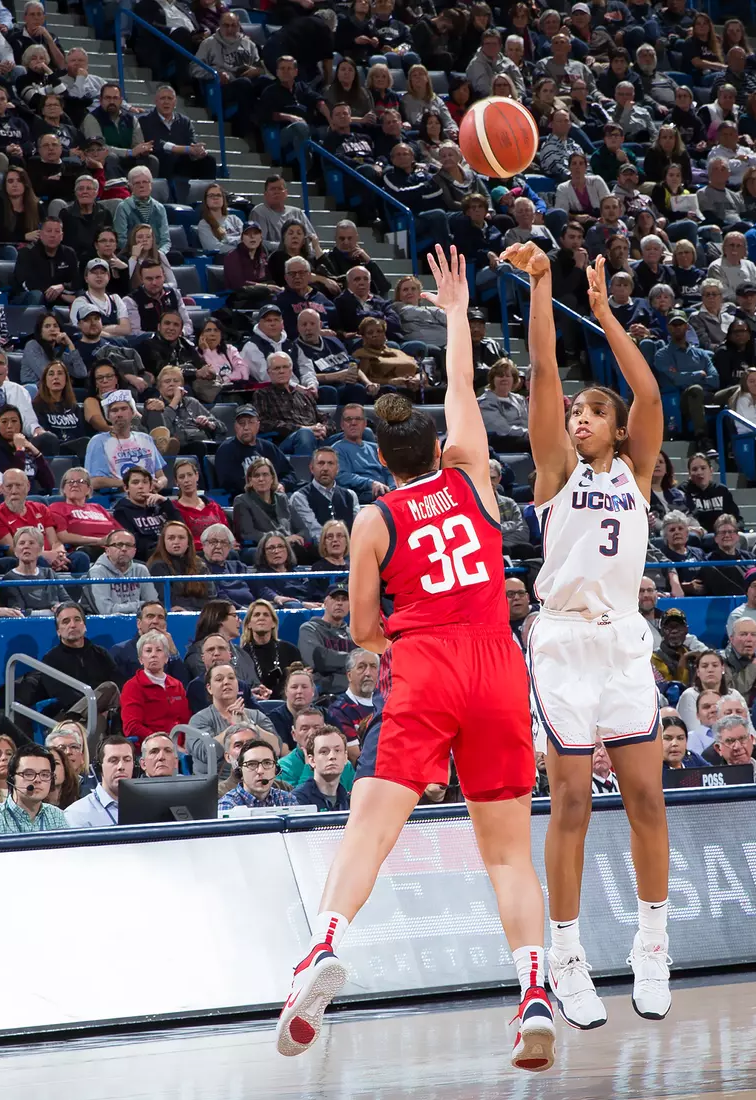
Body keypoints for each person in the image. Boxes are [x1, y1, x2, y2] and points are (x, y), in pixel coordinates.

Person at [277, 249, 556, 1074]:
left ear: (380, 458)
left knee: (370, 827)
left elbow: (365, 628)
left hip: (426, 661)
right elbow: (461, 383)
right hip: (498, 663)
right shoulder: (473, 480)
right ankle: (533, 994)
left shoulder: (373, 520)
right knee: (508, 853)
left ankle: (324, 946)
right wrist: (456, 311)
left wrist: (400, 640)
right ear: (437, 446)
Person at [500, 240, 672, 1028]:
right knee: (570, 800)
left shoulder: (638, 474)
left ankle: (652, 944)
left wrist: (603, 313)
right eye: (578, 411)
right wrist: (542, 284)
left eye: (595, 411)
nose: (580, 416)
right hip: (565, 642)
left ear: (619, 430)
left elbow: (648, 390)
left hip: (623, 640)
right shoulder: (554, 473)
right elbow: (543, 370)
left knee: (647, 797)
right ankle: (566, 958)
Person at [0, 742, 70, 833]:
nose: (37, 780)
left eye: (45, 775)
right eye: (28, 774)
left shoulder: (56, 816)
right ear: (11, 779)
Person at [65, 734, 136, 827]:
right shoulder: (77, 813)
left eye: (127, 760)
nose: (121, 766)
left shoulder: (147, 807)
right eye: (113, 760)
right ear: (99, 768)